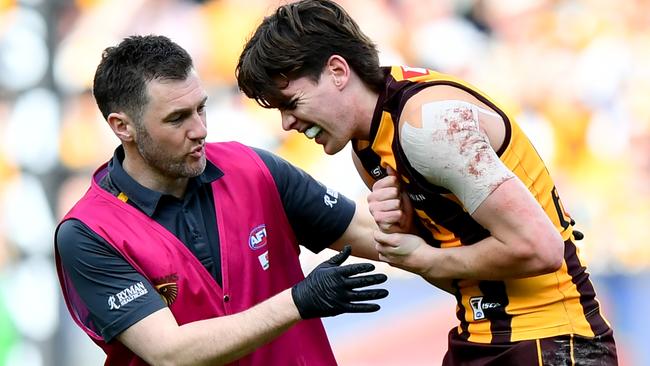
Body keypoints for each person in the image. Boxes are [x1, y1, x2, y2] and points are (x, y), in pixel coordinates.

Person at [235, 0, 618, 364]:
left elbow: (541, 249)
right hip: (479, 337)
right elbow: (461, 278)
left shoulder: (429, 125)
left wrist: (426, 257)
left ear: (337, 71)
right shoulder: (368, 149)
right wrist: (411, 236)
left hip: (551, 339)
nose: (287, 123)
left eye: (291, 102)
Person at [54, 34, 389, 366]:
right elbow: (169, 353)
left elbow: (380, 237)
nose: (200, 129)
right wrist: (298, 301)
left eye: (201, 108)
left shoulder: (255, 168)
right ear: (122, 127)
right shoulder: (88, 234)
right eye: (177, 118)